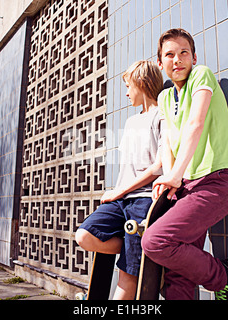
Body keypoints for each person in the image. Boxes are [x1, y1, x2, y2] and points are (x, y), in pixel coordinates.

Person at [141, 28, 228, 300]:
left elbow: (196, 123)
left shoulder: (202, 75)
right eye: (170, 55)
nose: (177, 60)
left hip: (218, 180)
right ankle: (220, 282)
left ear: (194, 57)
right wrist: (171, 181)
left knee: (156, 241)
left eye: (184, 52)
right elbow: (167, 145)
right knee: (177, 273)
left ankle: (225, 277)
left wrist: (174, 176)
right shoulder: (164, 98)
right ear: (161, 63)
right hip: (187, 186)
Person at [75, 60, 164, 300]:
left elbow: (160, 166)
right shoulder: (131, 122)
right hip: (122, 199)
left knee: (127, 277)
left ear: (141, 83)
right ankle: (136, 248)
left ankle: (140, 255)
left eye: (128, 86)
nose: (126, 92)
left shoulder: (161, 115)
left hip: (145, 201)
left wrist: (119, 190)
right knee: (84, 235)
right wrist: (118, 192)